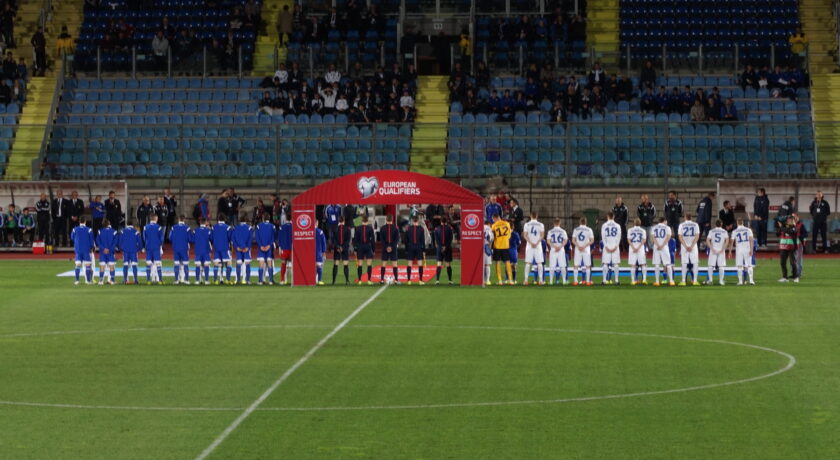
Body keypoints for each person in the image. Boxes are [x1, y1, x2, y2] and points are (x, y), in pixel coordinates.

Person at [522, 212, 545, 286]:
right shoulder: (541, 224)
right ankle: (541, 280)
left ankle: (526, 280)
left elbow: (525, 235)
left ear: (530, 216)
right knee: (539, 263)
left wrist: (531, 242)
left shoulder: (527, 224)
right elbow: (542, 235)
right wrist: (537, 242)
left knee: (528, 263)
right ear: (537, 216)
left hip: (529, 245)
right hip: (538, 245)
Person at [677, 214, 701, 286]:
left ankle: (683, 281)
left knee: (684, 263)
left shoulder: (681, 225)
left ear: (685, 218)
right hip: (693, 246)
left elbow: (680, 236)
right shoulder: (695, 225)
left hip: (685, 246)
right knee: (695, 263)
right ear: (691, 218)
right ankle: (695, 281)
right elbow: (697, 236)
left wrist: (685, 246)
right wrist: (692, 246)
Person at [490, 213, 514, 285]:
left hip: (497, 246)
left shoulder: (494, 226)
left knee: (497, 262)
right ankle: (510, 280)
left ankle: (500, 281)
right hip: (505, 245)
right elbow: (509, 235)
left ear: (495, 218)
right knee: (507, 262)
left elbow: (492, 237)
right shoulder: (507, 224)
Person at [70, 216, 95, 285]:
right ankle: (88, 281)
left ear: (79, 221)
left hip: (78, 249)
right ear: (85, 221)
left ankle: (77, 281)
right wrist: (92, 247)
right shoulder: (89, 230)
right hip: (86, 249)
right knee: (87, 265)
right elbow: (91, 240)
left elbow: (72, 237)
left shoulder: (75, 229)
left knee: (78, 265)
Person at [731, 219, 755, 285]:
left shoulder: (735, 231)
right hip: (747, 249)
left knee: (739, 266)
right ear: (743, 222)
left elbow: (732, 241)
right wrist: (751, 249)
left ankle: (740, 281)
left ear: (737, 223)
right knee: (749, 265)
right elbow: (751, 240)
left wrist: (730, 251)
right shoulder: (748, 230)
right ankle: (751, 281)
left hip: (739, 250)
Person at [600, 212, 622, 285]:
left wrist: (606, 246)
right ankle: (616, 280)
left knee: (605, 264)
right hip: (615, 245)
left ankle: (604, 280)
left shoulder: (604, 225)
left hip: (607, 245)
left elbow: (603, 237)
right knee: (616, 264)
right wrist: (616, 246)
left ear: (607, 216)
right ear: (614, 216)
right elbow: (619, 236)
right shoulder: (618, 225)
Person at [571, 217, 594, 286]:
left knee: (576, 265)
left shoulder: (576, 229)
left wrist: (578, 246)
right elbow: (592, 240)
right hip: (586, 249)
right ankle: (587, 281)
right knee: (587, 265)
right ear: (586, 222)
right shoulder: (589, 229)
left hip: (578, 249)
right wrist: (584, 246)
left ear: (580, 222)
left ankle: (575, 281)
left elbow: (573, 240)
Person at [705, 220, 730, 286]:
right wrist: (723, 249)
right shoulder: (724, 231)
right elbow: (727, 241)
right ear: (721, 224)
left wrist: (711, 248)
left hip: (713, 250)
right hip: (721, 250)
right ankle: (721, 281)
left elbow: (707, 240)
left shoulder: (711, 231)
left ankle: (710, 280)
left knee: (710, 266)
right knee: (721, 266)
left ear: (715, 224)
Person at [232, 213, 253, 284]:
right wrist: (247, 247)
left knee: (238, 263)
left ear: (239, 220)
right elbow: (250, 239)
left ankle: (238, 280)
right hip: (246, 249)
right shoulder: (249, 228)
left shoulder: (235, 228)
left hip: (238, 248)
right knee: (247, 263)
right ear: (246, 220)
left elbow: (233, 239)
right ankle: (247, 280)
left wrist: (237, 247)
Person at [378, 214, 400, 285]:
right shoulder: (396, 228)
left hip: (385, 248)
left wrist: (387, 247)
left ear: (386, 219)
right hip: (393, 248)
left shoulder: (382, 228)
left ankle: (381, 280)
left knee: (383, 264)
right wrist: (392, 247)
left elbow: (381, 239)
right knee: (395, 264)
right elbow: (397, 239)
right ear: (392, 220)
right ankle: (396, 280)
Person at [353, 214, 375, 284]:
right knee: (369, 264)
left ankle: (359, 280)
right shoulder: (370, 228)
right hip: (368, 246)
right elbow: (373, 240)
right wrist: (373, 249)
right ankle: (369, 280)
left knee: (360, 264)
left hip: (360, 247)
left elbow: (355, 240)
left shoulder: (358, 228)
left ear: (362, 221)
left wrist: (355, 249)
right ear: (367, 221)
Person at [169, 215, 191, 285]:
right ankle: (186, 280)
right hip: (184, 248)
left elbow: (170, 237)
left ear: (178, 219)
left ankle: (176, 280)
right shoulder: (187, 228)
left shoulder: (173, 227)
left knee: (176, 264)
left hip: (176, 248)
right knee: (185, 264)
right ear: (184, 220)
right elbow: (190, 238)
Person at [255, 214, 276, 285]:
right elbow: (273, 237)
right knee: (270, 263)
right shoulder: (272, 226)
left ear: (263, 218)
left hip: (261, 248)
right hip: (269, 248)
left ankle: (260, 281)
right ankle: (270, 281)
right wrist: (269, 245)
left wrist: (261, 246)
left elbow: (257, 237)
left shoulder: (259, 226)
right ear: (269, 218)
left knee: (261, 263)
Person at [405, 215, 427, 285]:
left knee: (409, 264)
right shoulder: (421, 229)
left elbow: (406, 240)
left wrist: (406, 249)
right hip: (418, 247)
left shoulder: (408, 228)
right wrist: (424, 250)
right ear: (418, 220)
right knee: (420, 264)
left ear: (412, 221)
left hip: (410, 247)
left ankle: (409, 280)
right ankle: (420, 280)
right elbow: (423, 241)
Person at [143, 215, 164, 284]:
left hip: (148, 247)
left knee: (148, 263)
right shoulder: (159, 227)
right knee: (158, 263)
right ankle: (160, 280)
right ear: (155, 219)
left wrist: (146, 244)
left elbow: (144, 237)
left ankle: (149, 280)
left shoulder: (145, 227)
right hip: (156, 248)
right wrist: (160, 246)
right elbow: (161, 238)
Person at [433, 216, 455, 284]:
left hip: (439, 248)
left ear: (441, 221)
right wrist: (445, 246)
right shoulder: (449, 229)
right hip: (447, 248)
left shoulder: (437, 229)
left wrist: (441, 246)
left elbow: (436, 239)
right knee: (448, 264)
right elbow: (450, 238)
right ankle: (450, 280)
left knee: (439, 263)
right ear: (446, 221)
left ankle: (437, 280)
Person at [546, 218, 568, 285]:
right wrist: (560, 247)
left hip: (553, 250)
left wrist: (554, 246)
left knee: (552, 266)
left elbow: (548, 241)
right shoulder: (563, 231)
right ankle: (564, 281)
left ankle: (551, 281)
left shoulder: (550, 231)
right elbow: (565, 240)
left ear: (553, 223)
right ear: (560, 223)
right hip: (561, 250)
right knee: (563, 266)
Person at [96, 219, 118, 285]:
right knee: (111, 266)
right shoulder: (114, 231)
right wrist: (109, 249)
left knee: (102, 266)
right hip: (111, 252)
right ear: (109, 223)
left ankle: (101, 281)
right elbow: (115, 242)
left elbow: (98, 241)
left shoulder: (100, 231)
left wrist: (103, 248)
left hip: (103, 252)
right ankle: (112, 280)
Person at [211, 215, 233, 284]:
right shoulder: (228, 227)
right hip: (225, 248)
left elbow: (211, 237)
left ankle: (216, 280)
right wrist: (231, 247)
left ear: (218, 219)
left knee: (217, 263)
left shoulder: (213, 227)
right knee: (229, 262)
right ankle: (227, 280)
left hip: (217, 248)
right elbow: (230, 238)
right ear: (225, 219)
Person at [331, 216, 353, 285]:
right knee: (345, 264)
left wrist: (338, 246)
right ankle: (347, 280)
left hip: (337, 249)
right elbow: (348, 240)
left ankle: (333, 281)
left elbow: (333, 239)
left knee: (335, 264)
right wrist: (343, 247)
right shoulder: (347, 229)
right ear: (344, 221)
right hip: (345, 248)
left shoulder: (335, 228)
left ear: (338, 221)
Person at [627, 218, 648, 285]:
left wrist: (633, 247)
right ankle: (644, 279)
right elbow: (644, 240)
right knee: (643, 264)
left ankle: (633, 280)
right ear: (640, 223)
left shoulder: (630, 230)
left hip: (632, 248)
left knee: (633, 265)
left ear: (634, 223)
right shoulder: (643, 230)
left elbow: (629, 240)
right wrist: (638, 247)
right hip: (640, 248)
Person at [192, 218, 213, 285]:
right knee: (206, 265)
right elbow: (211, 239)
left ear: (200, 222)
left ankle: (197, 280)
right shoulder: (208, 231)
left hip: (198, 250)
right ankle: (206, 281)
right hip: (206, 250)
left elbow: (192, 240)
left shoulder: (195, 231)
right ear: (205, 222)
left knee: (198, 265)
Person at [778, 217, 798, 283]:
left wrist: (781, 227)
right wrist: (779, 228)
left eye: (790, 220)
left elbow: (790, 231)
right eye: (788, 220)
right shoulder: (784, 227)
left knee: (793, 263)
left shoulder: (794, 227)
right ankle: (785, 277)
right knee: (782, 262)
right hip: (783, 247)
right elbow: (777, 234)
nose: (789, 221)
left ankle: (795, 277)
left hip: (791, 247)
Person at [277, 219, 292, 284]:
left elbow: (279, 238)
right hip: (292, 248)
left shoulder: (281, 227)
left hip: (284, 248)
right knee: (292, 264)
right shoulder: (294, 226)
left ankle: (282, 280)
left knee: (283, 263)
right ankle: (293, 280)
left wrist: (280, 247)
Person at [483, 220, 494, 285]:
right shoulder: (489, 229)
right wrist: (490, 248)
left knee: (482, 265)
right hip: (487, 246)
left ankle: (483, 280)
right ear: (489, 224)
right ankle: (487, 280)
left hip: (479, 247)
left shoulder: (480, 227)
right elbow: (491, 239)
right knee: (487, 264)